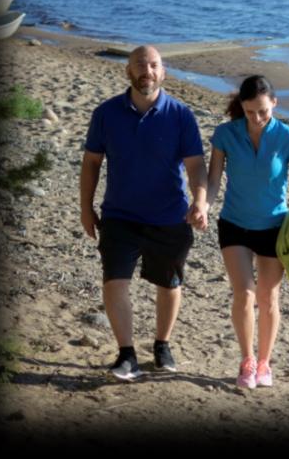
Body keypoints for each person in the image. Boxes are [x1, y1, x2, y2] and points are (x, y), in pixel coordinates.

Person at [80, 45, 207, 381]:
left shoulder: (181, 114)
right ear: (128, 71)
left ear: (162, 72)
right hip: (120, 215)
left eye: (153, 65)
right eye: (140, 65)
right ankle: (126, 355)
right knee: (114, 281)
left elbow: (196, 165)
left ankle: (162, 345)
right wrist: (85, 208)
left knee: (169, 283)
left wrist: (201, 200)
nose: (147, 71)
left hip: (170, 217)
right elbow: (91, 162)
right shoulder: (106, 113)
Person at [196, 75, 289, 389]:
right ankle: (247, 360)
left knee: (267, 298)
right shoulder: (225, 134)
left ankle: (264, 363)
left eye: (263, 111)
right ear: (241, 107)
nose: (257, 118)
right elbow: (212, 181)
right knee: (244, 293)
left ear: (274, 103)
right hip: (234, 224)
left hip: (273, 227)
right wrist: (203, 206)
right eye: (250, 112)